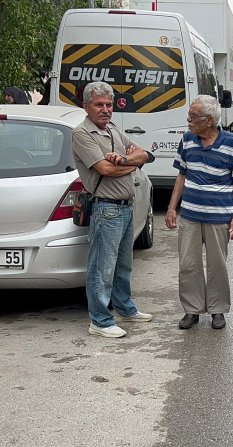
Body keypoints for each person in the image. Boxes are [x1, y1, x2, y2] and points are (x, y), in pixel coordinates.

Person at [72, 81, 155, 338]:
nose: (105, 109)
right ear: (86, 106)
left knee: (123, 265)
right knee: (102, 268)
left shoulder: (113, 129)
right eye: (99, 105)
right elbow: (105, 170)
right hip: (106, 209)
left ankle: (125, 307)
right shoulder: (82, 134)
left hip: (126, 207)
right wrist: (132, 164)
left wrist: (125, 160)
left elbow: (146, 153)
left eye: (109, 104)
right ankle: (100, 320)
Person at [165, 95, 233, 330]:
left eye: (193, 117)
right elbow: (181, 175)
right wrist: (172, 208)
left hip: (219, 215)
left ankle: (217, 310)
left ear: (209, 120)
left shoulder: (231, 142)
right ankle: (192, 310)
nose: (188, 120)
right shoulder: (187, 140)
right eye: (189, 116)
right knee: (188, 264)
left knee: (217, 265)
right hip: (190, 215)